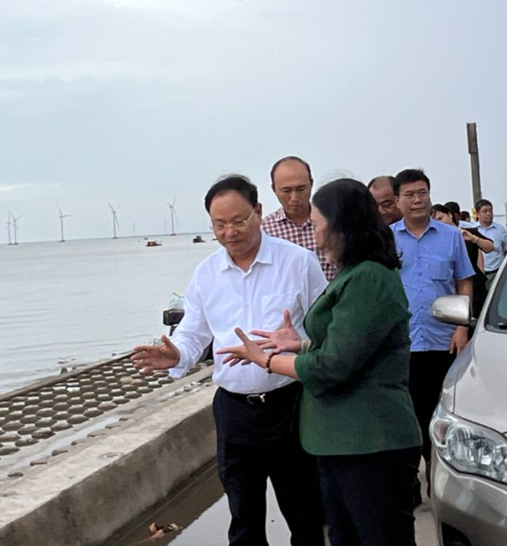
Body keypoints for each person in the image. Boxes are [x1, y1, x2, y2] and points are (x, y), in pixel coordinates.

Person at [218, 178, 422, 546]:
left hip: (369, 444)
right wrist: (302, 343)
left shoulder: (369, 280)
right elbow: (346, 344)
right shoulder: (351, 273)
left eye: (316, 224)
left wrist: (264, 359)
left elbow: (332, 367)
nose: (313, 233)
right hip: (337, 443)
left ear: (341, 225)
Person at [132, 175, 327, 546]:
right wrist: (176, 353)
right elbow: (193, 334)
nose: (229, 232)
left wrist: (300, 342)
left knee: (304, 512)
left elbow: (328, 332)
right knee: (243, 517)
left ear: (258, 211)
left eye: (239, 220)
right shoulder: (207, 274)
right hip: (234, 412)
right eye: (219, 224)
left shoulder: (299, 263)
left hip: (291, 406)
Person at [391, 169, 475, 504]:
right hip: (403, 344)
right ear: (397, 200)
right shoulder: (386, 239)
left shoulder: (451, 236)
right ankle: (409, 487)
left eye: (422, 192)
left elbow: (464, 281)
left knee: (441, 417)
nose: (417, 200)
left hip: (444, 342)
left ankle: (438, 484)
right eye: (409, 194)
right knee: (407, 418)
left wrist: (462, 327)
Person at [262, 156, 337, 280]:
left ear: (311, 184)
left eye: (301, 189)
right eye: (286, 191)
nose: (294, 198)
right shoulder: (265, 231)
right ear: (274, 189)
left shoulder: (331, 221)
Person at [431, 204, 494, 318]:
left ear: (450, 215)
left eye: (441, 218)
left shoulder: (468, 231)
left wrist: (474, 239)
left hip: (475, 285)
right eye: (435, 221)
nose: (440, 223)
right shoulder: (436, 240)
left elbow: (490, 247)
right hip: (450, 288)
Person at [473, 198, 507, 289]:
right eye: (485, 211)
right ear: (478, 214)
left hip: (497, 272)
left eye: (490, 211)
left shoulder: (500, 229)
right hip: (479, 273)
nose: (488, 214)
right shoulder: (472, 229)